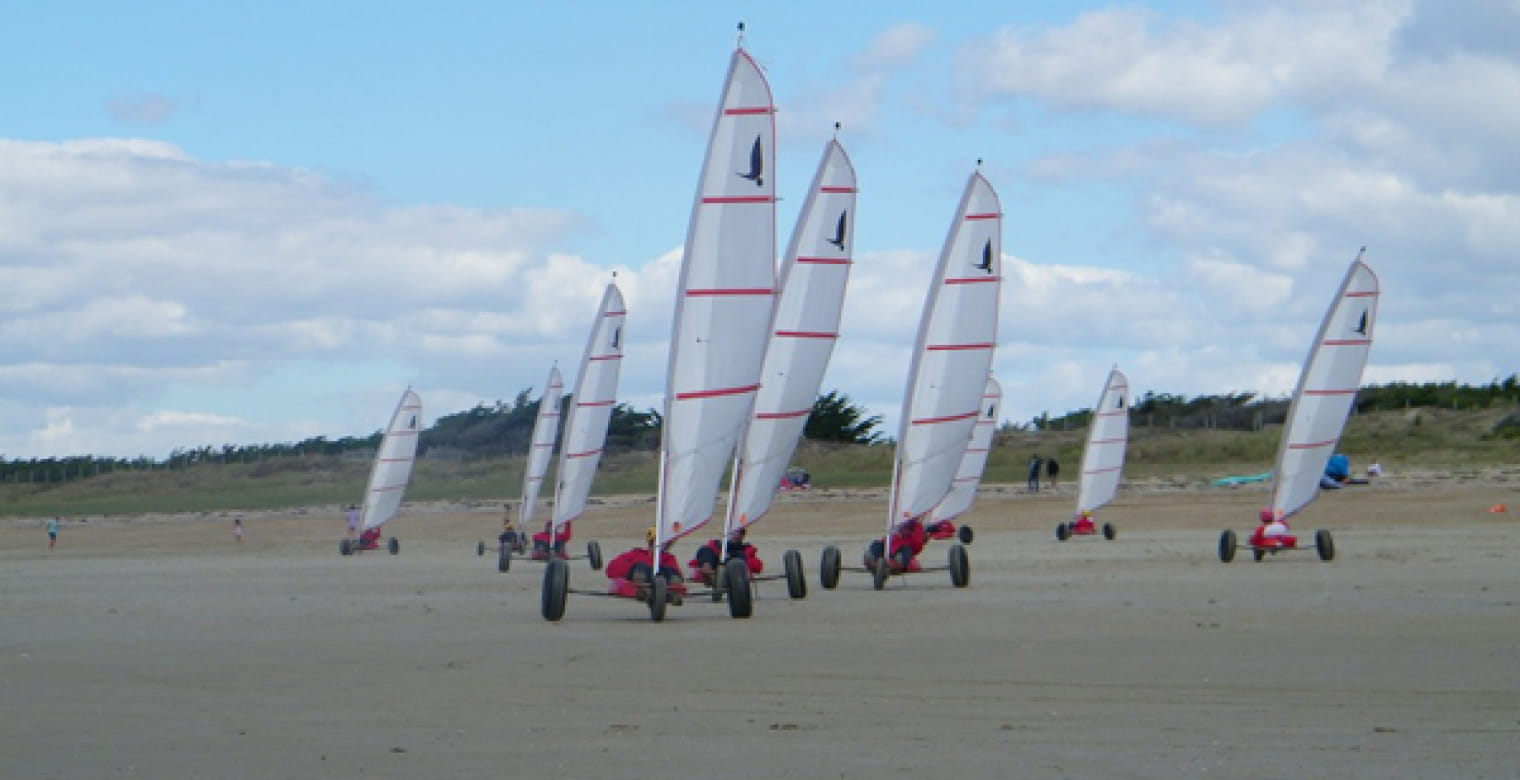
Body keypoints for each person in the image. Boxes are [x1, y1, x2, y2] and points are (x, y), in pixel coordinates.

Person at [606, 527, 684, 598]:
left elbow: (676, 570)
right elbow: (612, 568)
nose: (664, 545)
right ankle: (642, 588)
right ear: (651, 542)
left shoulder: (668, 558)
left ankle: (674, 590)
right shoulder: (636, 554)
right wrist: (631, 569)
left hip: (661, 579)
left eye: (666, 543)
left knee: (670, 570)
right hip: (638, 578)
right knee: (640, 567)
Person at [690, 526, 763, 586]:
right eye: (733, 532)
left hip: (732, 570)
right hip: (714, 564)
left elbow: (757, 566)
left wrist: (747, 570)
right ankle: (708, 572)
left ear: (742, 536)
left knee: (739, 558)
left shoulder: (745, 549)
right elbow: (702, 554)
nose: (736, 535)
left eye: (739, 533)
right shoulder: (716, 544)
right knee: (705, 549)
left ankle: (716, 577)